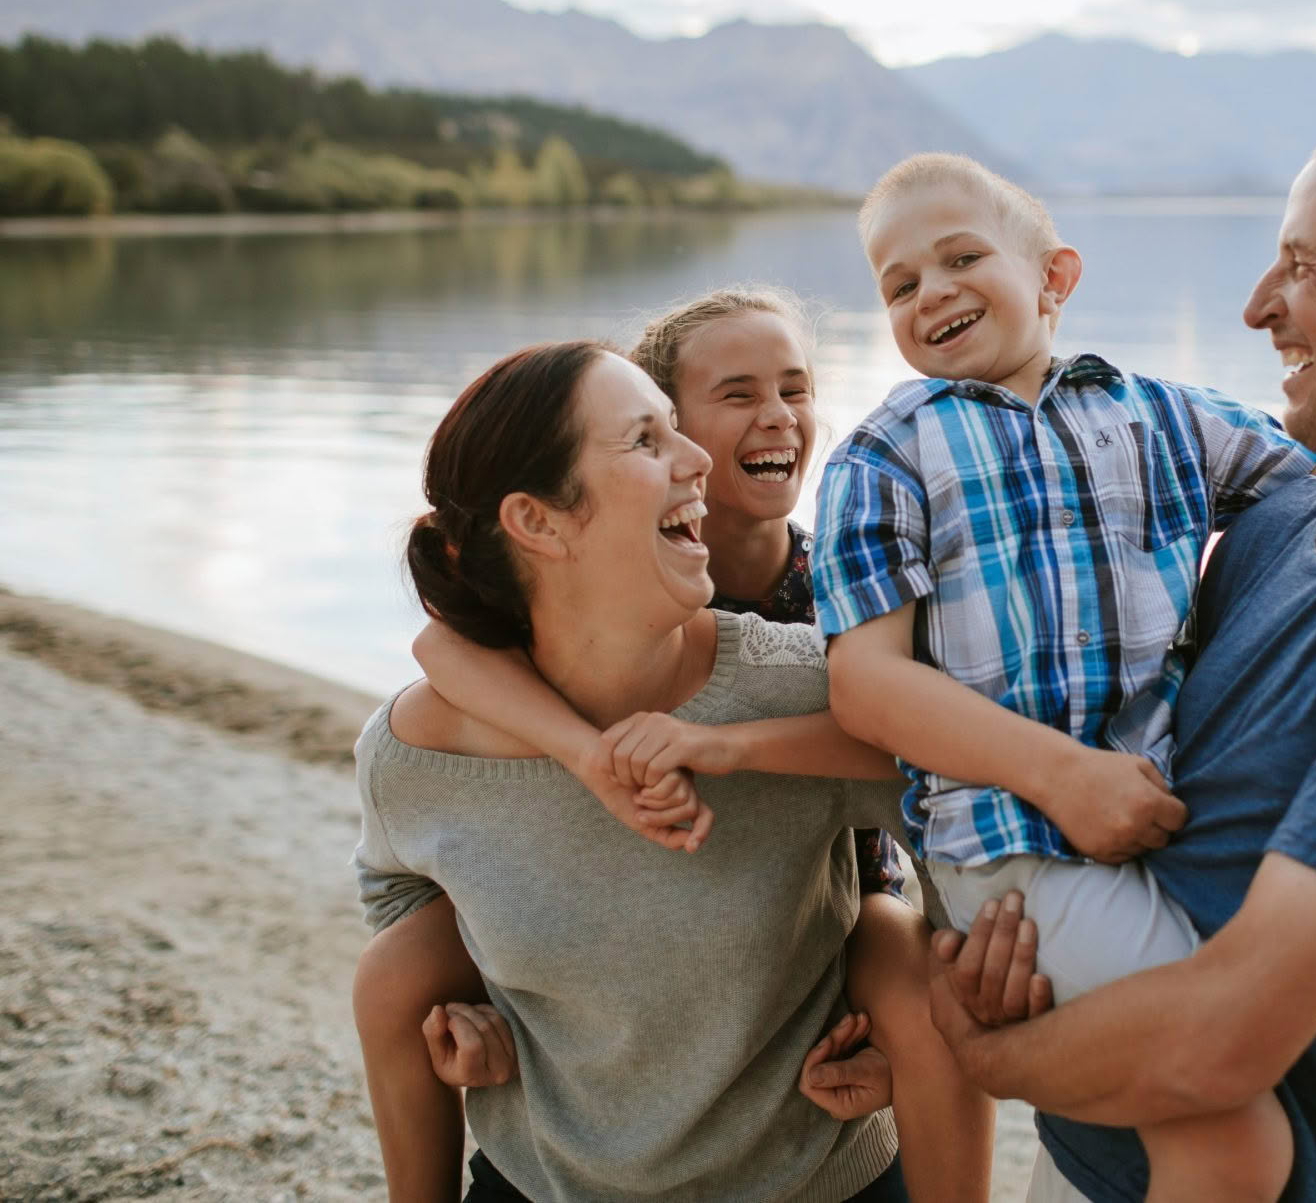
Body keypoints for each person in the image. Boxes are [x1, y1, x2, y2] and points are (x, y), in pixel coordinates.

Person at [800, 152, 1316, 1201]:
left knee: (1206, 1092)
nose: (929, 291)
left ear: (1054, 277)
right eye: (898, 285)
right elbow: (867, 689)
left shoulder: (1154, 414)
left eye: (961, 257)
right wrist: (1063, 775)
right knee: (1228, 1135)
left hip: (1129, 832)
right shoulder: (882, 457)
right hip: (1015, 849)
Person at [350, 339, 991, 1203]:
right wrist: (464, 1005)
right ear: (538, 522)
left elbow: (971, 829)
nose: (697, 458)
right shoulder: (417, 753)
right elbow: (398, 897)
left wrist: (918, 1009)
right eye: (648, 441)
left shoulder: (804, 685)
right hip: (539, 1182)